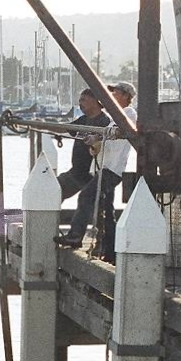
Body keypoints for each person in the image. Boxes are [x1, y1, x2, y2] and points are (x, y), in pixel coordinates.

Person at [56, 89, 111, 248]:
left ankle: (96, 242)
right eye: (80, 100)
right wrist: (40, 124)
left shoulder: (104, 122)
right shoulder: (83, 120)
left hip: (93, 173)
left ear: (95, 101)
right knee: (54, 189)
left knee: (97, 208)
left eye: (84, 100)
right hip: (77, 173)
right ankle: (46, 226)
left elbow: (106, 143)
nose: (80, 104)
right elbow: (64, 128)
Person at [93, 81, 138, 263]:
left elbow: (116, 135)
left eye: (116, 93)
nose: (112, 96)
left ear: (126, 96)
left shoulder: (128, 114)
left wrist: (100, 137)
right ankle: (105, 247)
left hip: (113, 167)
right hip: (105, 165)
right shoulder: (115, 116)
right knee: (103, 207)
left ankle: (108, 248)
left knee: (102, 207)